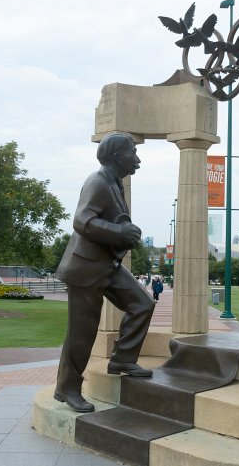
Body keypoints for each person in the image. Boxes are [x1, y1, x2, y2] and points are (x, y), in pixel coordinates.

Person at [54, 133, 156, 413]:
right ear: (117, 157)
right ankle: (67, 389)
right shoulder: (97, 182)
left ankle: (122, 359)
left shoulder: (114, 184)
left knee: (142, 303)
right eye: (133, 152)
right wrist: (119, 231)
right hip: (85, 268)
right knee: (81, 333)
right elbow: (82, 220)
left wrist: (124, 234)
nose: (138, 158)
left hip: (108, 265)